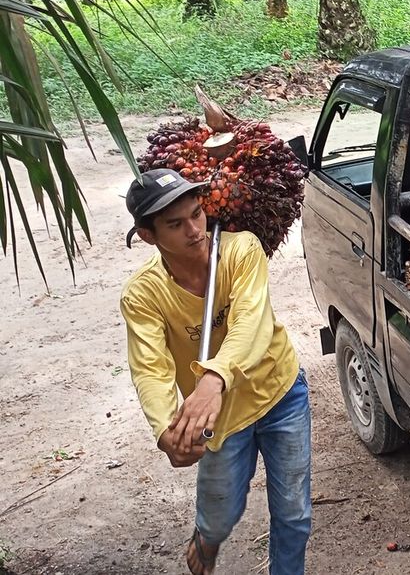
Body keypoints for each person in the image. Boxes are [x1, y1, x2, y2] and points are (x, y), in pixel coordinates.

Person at [120, 168, 311, 575]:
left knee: (294, 514)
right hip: (219, 417)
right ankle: (206, 541)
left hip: (279, 392)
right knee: (220, 515)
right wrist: (166, 430)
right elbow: (151, 368)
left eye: (197, 213)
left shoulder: (241, 250)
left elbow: (250, 321)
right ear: (148, 236)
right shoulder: (142, 295)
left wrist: (214, 377)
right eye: (175, 224)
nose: (194, 230)